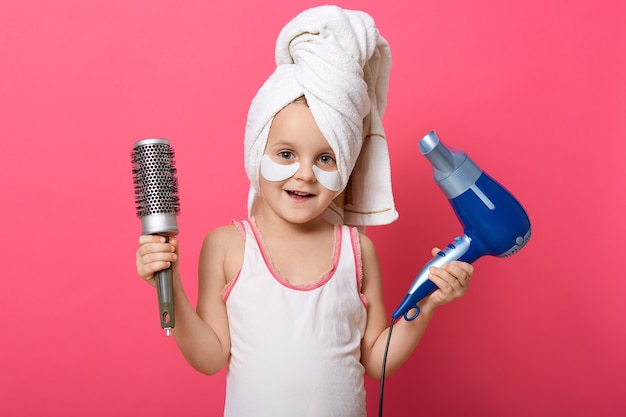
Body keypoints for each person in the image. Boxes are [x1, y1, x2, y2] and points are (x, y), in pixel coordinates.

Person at [135, 5, 473, 417]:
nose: (305, 174)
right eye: (286, 153)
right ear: (256, 153)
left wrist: (429, 303)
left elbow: (375, 359)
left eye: (326, 159)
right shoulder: (227, 247)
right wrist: (167, 287)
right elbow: (210, 356)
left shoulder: (356, 251)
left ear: (346, 170)